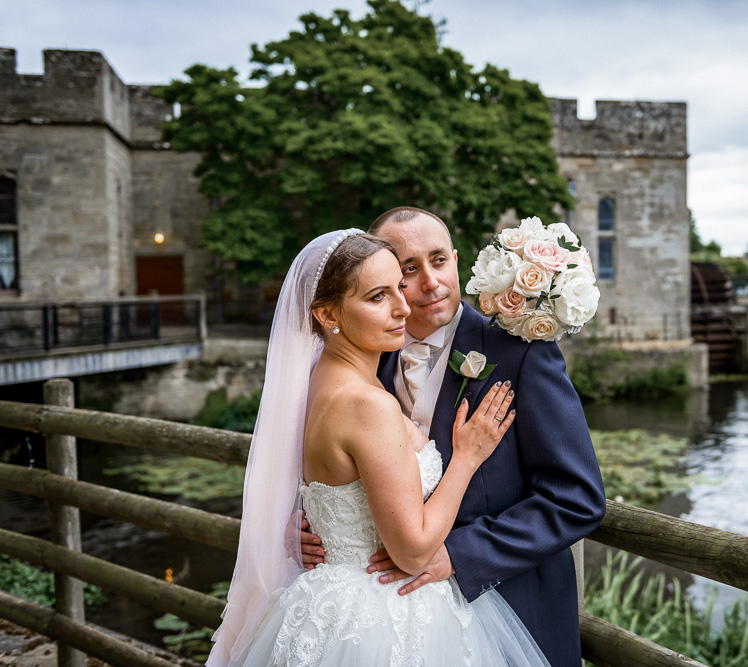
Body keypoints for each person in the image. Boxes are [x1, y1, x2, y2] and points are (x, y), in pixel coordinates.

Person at [207, 229, 550, 666]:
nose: (403, 307)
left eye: (398, 288)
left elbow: (336, 488)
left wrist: (303, 524)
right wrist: (466, 458)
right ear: (327, 313)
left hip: (324, 603)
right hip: (383, 617)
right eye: (378, 297)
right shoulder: (367, 404)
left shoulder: (314, 382)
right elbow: (413, 552)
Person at [300, 208, 606, 666]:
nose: (430, 282)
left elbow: (577, 498)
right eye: (408, 269)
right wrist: (311, 523)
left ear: (457, 260)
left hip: (513, 612)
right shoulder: (365, 361)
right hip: (389, 627)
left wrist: (460, 555)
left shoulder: (522, 354)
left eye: (439, 260)